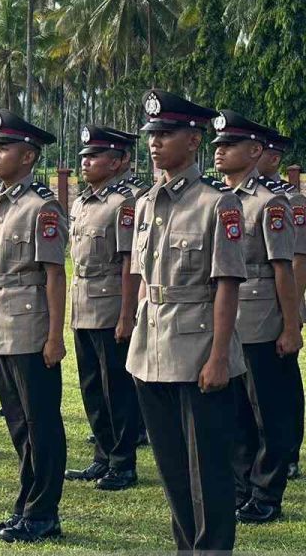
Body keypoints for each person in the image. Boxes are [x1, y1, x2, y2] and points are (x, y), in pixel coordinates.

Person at [125, 90, 247, 553]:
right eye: (152, 134)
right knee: (172, 467)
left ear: (193, 140)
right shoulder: (146, 202)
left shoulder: (217, 204)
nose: (155, 142)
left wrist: (219, 357)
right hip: (150, 349)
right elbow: (144, 278)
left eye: (167, 133)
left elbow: (226, 285)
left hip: (197, 351)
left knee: (208, 470)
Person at [0, 109, 68, 543]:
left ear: (28, 155)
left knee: (41, 422)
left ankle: (44, 512)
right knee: (16, 421)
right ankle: (27, 502)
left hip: (31, 329)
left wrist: (54, 336)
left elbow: (54, 275)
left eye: (4, 147)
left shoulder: (43, 208)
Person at [210, 110, 301, 524]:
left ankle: (267, 494)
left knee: (269, 414)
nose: (219, 152)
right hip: (228, 324)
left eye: (228, 145)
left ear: (255, 150)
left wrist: (291, 326)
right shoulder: (219, 200)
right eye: (216, 146)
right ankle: (242, 486)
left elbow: (284, 269)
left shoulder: (271, 203)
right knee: (236, 413)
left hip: (262, 321)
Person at [64, 126, 141, 491]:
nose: (85, 162)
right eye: (83, 156)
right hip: (83, 305)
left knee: (117, 388)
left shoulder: (124, 203)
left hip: (112, 307)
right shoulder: (81, 203)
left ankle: (123, 462)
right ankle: (103, 454)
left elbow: (129, 263)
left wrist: (127, 315)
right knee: (91, 385)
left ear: (116, 162)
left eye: (93, 156)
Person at [259, 133, 306, 480]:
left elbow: (298, 260)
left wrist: (292, 314)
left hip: (279, 305)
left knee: (282, 384)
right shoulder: (232, 197)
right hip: (249, 310)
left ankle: (288, 451)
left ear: (272, 158)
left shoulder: (291, 200)